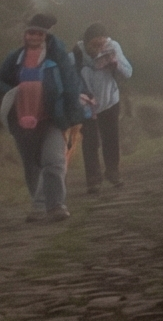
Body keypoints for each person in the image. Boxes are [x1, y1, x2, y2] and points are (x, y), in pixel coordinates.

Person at [9, 13, 84, 223]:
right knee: (32, 166)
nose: (34, 37)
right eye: (30, 32)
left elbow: (70, 85)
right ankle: (38, 206)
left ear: (45, 35)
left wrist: (75, 115)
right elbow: (2, 82)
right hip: (22, 122)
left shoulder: (57, 56)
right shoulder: (15, 59)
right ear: (25, 35)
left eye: (39, 33)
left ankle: (55, 206)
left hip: (52, 119)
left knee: (54, 161)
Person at [75, 24, 130, 193]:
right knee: (90, 141)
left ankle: (113, 172)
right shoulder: (77, 53)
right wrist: (82, 94)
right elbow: (71, 76)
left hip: (110, 100)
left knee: (111, 137)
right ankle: (93, 179)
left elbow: (128, 72)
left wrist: (116, 64)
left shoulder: (113, 47)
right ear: (86, 42)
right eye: (94, 45)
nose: (99, 49)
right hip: (87, 103)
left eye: (102, 44)